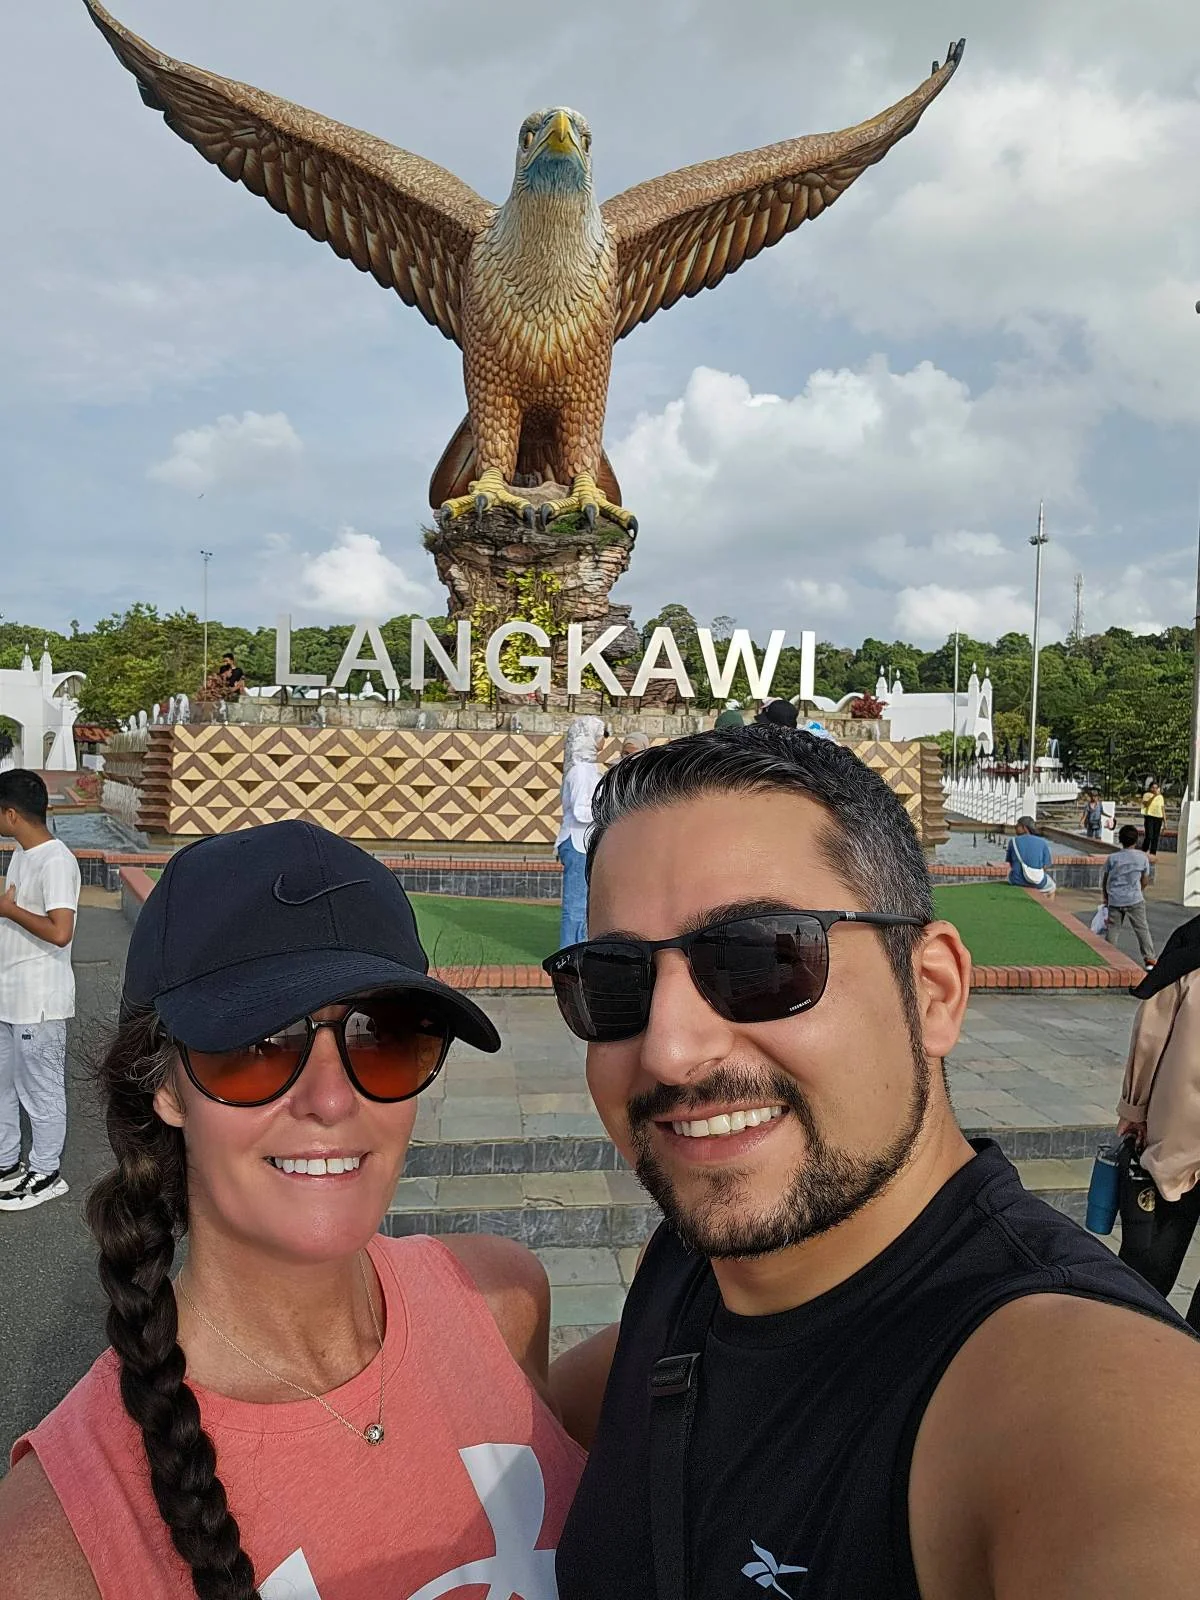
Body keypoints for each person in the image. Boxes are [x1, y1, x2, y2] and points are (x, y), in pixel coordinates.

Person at [545, 727, 1200, 1598]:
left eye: (762, 959)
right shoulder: (694, 1268)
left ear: (932, 991)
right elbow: (546, 1411)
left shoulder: (1069, 1395)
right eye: (614, 981)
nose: (668, 1049)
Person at [0, 819, 584, 1598]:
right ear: (165, 1085)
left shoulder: (503, 1298)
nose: (332, 1098)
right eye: (259, 1043)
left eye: (383, 1035)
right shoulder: (54, 1542)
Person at [0, 770, 81, 1213]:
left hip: (39, 1001)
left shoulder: (56, 860)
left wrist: (9, 911)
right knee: (4, 1087)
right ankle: (7, 1160)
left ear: (11, 814)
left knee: (41, 1090)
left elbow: (60, 932)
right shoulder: (20, 852)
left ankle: (47, 1172)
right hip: (9, 995)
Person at [1115, 914, 1200, 1329]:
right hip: (1178, 1137)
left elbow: (1151, 1034)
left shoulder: (1192, 944)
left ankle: (1133, 1346)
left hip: (1176, 1138)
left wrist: (1133, 1110)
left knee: (1147, 1270)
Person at [556, 715, 606, 949]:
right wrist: (606, 812)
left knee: (583, 903)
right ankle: (569, 953)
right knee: (575, 905)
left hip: (582, 843)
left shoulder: (587, 768)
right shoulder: (581, 770)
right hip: (577, 843)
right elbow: (579, 810)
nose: (603, 741)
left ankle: (579, 948)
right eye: (600, 736)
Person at [1103, 823, 1156, 968]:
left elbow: (1105, 880)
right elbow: (1145, 879)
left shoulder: (1112, 858)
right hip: (1135, 899)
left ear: (1120, 839)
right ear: (1136, 840)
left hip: (1115, 899)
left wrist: (1106, 897)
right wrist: (1140, 889)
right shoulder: (1142, 858)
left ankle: (1107, 957)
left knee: (1113, 929)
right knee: (1142, 929)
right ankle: (1149, 959)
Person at [1004, 814, 1055, 894]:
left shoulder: (1013, 841)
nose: (1015, 827)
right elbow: (1046, 866)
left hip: (1017, 880)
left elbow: (1010, 863)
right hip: (1038, 882)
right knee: (1052, 887)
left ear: (1024, 828)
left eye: (1018, 826)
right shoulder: (1042, 842)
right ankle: (1047, 905)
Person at [1142, 779, 1166, 856]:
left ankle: (1153, 853)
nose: (1154, 789)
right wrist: (1154, 796)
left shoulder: (1161, 797)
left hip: (1158, 818)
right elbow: (1146, 804)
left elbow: (1163, 809)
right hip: (1149, 817)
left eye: (1156, 788)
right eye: (1153, 787)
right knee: (1149, 835)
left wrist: (1165, 822)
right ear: (1150, 788)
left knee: (1155, 837)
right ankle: (1144, 851)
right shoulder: (1146, 795)